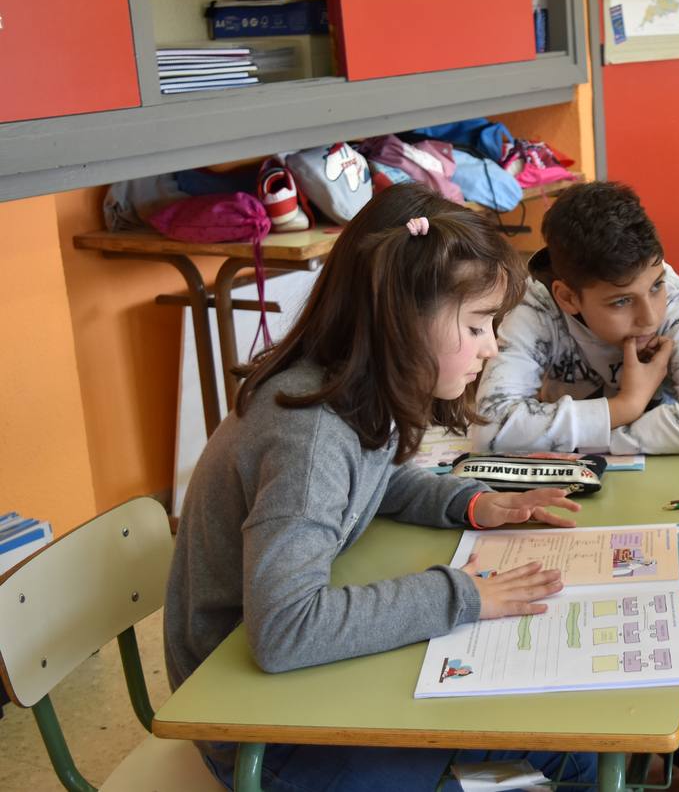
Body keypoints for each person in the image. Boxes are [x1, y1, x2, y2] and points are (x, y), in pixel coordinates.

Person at [164, 183, 592, 791]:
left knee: (565, 738)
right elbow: (286, 629)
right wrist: (462, 595)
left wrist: (473, 503)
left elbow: (374, 480)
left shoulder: (349, 389)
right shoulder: (308, 439)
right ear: (399, 319)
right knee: (521, 728)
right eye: (476, 325)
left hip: (292, 687)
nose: (491, 347)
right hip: (254, 726)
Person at [471, 181, 679, 454]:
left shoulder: (676, 297)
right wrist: (627, 405)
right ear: (568, 298)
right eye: (622, 301)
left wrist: (594, 437)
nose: (650, 317)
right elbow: (489, 430)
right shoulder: (535, 307)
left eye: (656, 286)